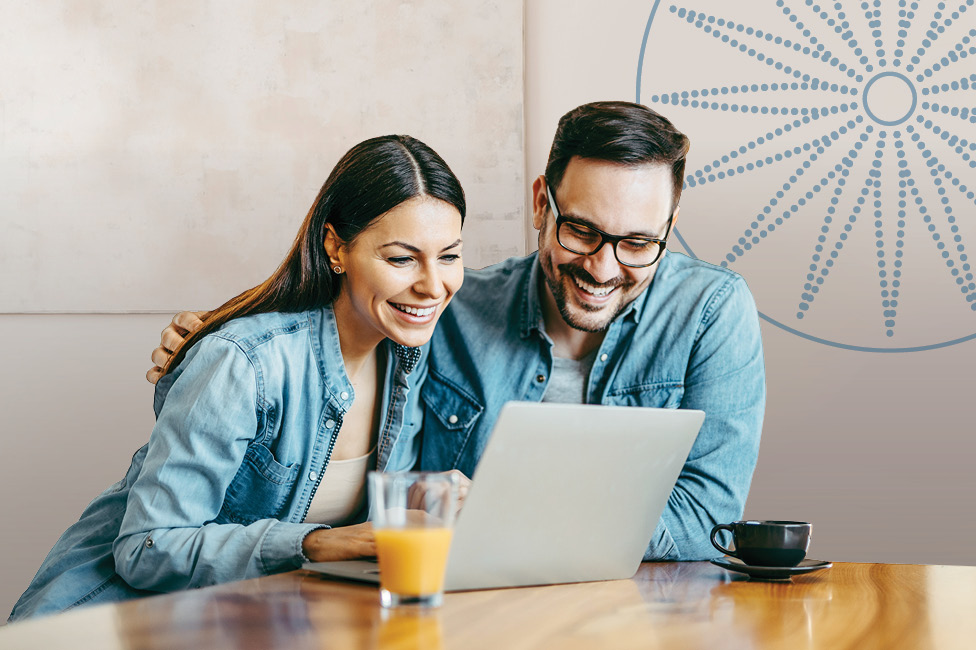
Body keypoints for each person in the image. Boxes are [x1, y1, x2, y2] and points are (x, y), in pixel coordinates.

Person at [148, 102, 766, 563]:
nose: (602, 268)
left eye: (638, 243)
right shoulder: (450, 308)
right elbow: (334, 321)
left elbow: (707, 520)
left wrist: (510, 516)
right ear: (539, 206)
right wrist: (219, 339)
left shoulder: (711, 311)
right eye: (579, 231)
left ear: (670, 225)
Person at [9, 135, 467, 622]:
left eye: (449, 256)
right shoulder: (244, 363)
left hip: (245, 622)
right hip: (110, 621)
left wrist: (429, 495)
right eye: (401, 258)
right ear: (337, 248)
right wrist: (316, 543)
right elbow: (148, 548)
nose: (433, 285)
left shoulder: (405, 358)